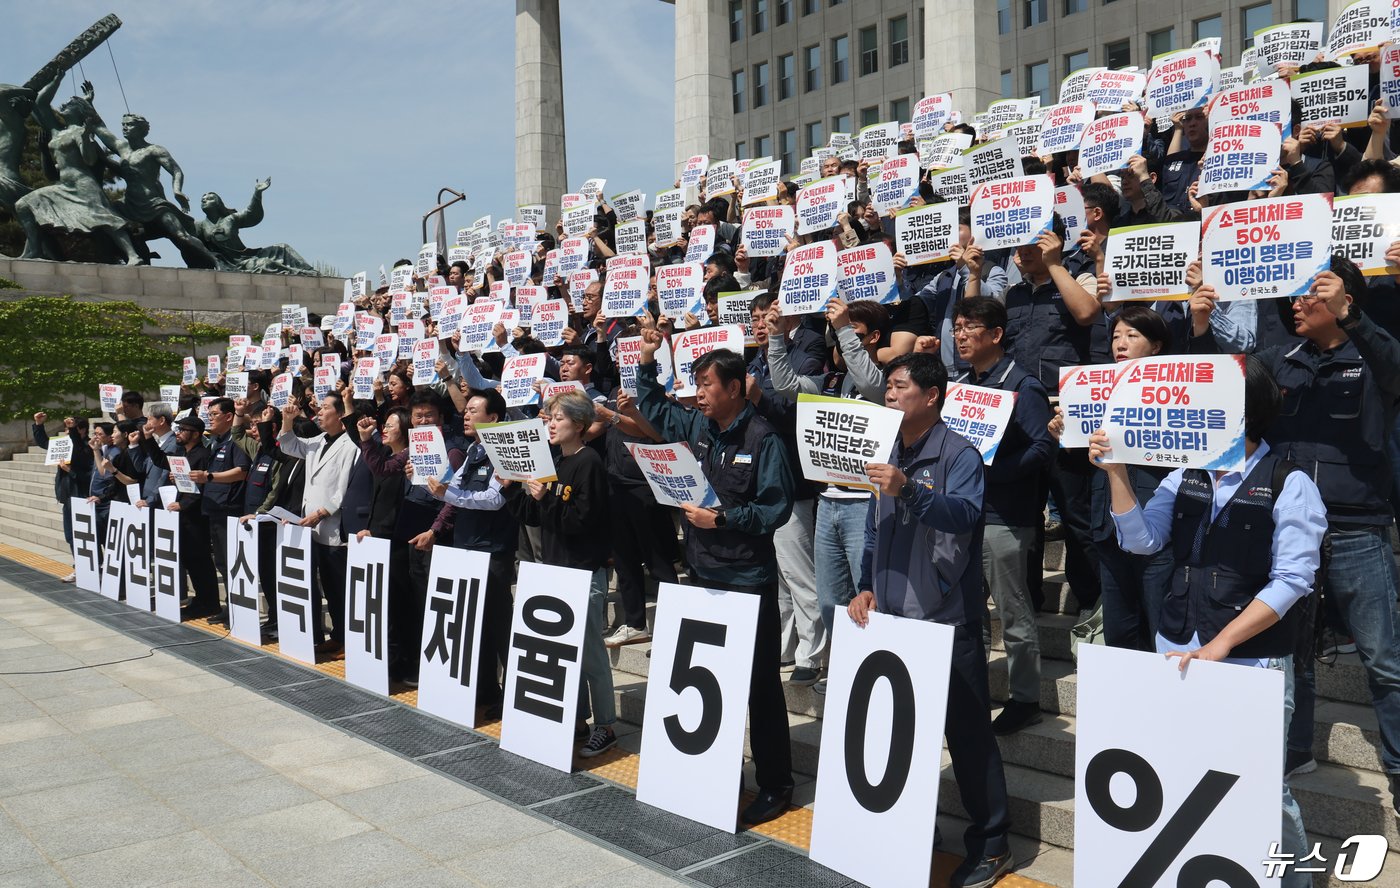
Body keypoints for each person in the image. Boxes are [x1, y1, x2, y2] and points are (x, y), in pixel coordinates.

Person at [1091, 356, 1326, 888]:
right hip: (1176, 644)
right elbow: (1141, 540)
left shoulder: (1289, 482)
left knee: (1264, 786)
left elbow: (1292, 580)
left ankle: (1294, 881)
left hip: (1250, 659)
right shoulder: (1186, 473)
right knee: (1185, 767)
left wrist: (1221, 645)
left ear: (1242, 413)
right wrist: (1118, 475)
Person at [848, 352, 1012, 888]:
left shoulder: (958, 453)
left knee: (967, 738)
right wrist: (866, 585)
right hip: (892, 616)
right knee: (906, 733)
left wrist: (911, 490)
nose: (890, 395)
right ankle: (912, 829)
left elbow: (965, 516)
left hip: (946, 620)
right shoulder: (888, 450)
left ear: (932, 395)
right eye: (889, 388)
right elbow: (875, 525)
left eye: (899, 387)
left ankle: (992, 845)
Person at [634, 319, 796, 826]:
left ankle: (776, 783)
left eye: (706, 386)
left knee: (760, 686)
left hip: (746, 582)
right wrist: (646, 359)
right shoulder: (700, 426)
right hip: (703, 576)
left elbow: (775, 510)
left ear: (734, 387)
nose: (698, 394)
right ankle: (717, 770)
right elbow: (657, 410)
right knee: (713, 678)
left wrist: (723, 517)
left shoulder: (763, 438)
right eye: (696, 385)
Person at [950, 297, 1055, 735]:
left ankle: (1025, 697)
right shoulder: (960, 384)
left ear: (995, 334)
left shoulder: (1022, 385)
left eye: (969, 327)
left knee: (1012, 613)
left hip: (1004, 517)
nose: (959, 335)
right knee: (963, 611)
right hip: (963, 515)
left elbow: (1043, 447)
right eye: (956, 327)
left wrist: (994, 474)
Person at [502, 390, 618, 756]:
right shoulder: (553, 462)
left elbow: (582, 521)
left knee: (591, 654)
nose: (551, 425)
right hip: (555, 571)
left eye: (559, 419)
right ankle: (579, 719)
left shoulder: (590, 464)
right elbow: (532, 516)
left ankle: (606, 724)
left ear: (579, 426)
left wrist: (545, 498)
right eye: (550, 418)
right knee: (567, 650)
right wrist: (513, 491)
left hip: (582, 572)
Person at [427, 388, 518, 717]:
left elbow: (494, 500)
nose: (465, 415)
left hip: (492, 553)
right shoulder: (474, 450)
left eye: (474, 411)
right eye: (465, 410)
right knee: (475, 627)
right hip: (466, 549)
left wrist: (446, 492)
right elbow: (457, 490)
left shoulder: (504, 451)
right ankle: (485, 692)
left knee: (499, 625)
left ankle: (512, 696)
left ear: (493, 418)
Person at [279, 394, 362, 654]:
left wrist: (323, 512)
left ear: (340, 415)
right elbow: (287, 445)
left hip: (333, 525)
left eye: (325, 408)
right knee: (328, 586)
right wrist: (287, 420)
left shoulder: (351, 444)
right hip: (312, 526)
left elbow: (345, 487)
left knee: (341, 587)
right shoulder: (317, 440)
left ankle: (349, 639)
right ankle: (338, 635)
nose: (319, 412)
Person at [32, 412, 94, 581]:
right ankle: (80, 567)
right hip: (67, 496)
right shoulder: (66, 444)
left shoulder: (87, 447)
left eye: (70, 429)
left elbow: (87, 474)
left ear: (81, 430)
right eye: (67, 429)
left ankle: (91, 568)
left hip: (81, 495)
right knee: (70, 535)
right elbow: (45, 443)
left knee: (83, 535)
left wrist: (70, 471)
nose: (67, 432)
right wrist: (38, 425)